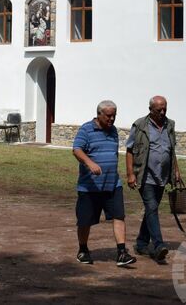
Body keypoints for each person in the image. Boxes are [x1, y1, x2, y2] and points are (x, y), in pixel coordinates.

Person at [73, 100, 135, 267]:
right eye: (108, 115)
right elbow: (76, 149)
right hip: (89, 186)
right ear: (99, 114)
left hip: (113, 184)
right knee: (85, 221)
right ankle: (83, 250)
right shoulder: (86, 129)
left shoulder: (113, 131)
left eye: (114, 115)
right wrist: (89, 163)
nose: (112, 118)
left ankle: (122, 252)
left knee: (119, 216)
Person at [125, 95, 180, 263]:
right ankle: (158, 245)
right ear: (150, 109)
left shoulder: (170, 125)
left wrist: (176, 171)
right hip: (145, 175)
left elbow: (172, 150)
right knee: (152, 207)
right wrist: (130, 174)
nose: (162, 112)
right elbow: (129, 150)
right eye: (159, 110)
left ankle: (141, 243)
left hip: (162, 176)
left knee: (151, 209)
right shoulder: (140, 125)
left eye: (165, 109)